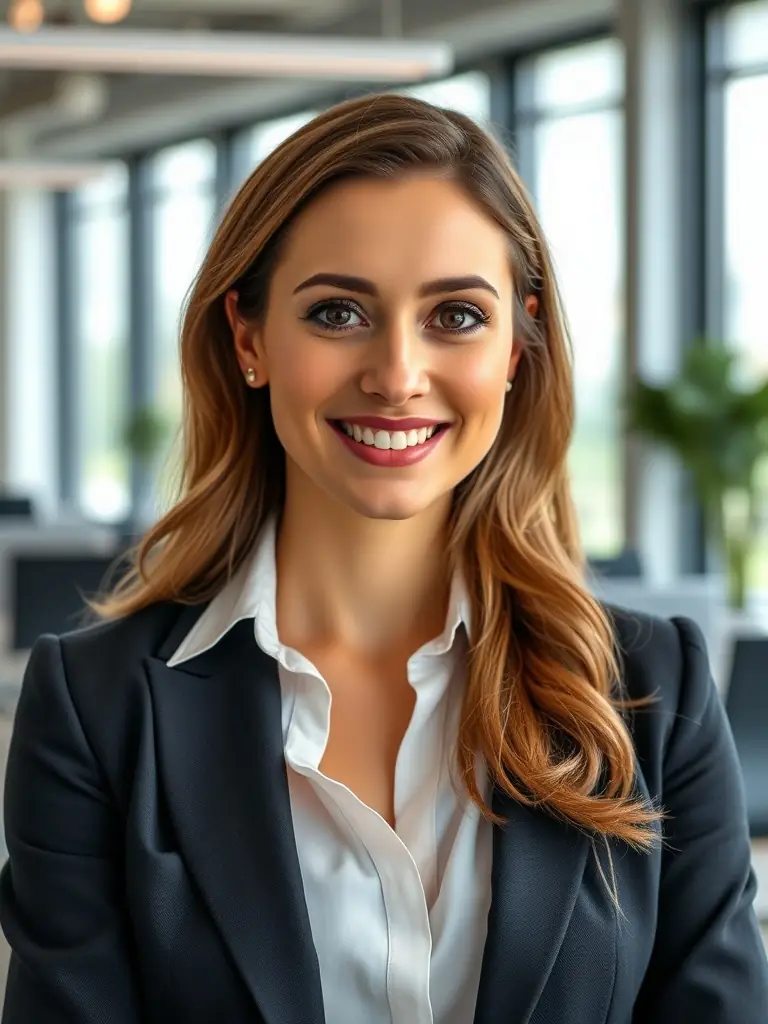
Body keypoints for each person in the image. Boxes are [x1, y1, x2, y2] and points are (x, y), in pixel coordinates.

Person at [0, 93, 766, 1024]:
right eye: (336, 312)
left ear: (518, 344)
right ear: (249, 338)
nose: (398, 373)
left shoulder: (655, 693)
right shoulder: (97, 710)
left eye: (454, 316)